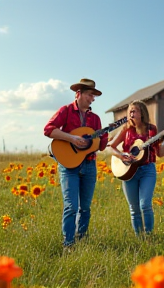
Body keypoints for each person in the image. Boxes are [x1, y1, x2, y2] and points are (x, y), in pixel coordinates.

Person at [44, 78, 108, 248]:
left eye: (93, 96)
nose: (92, 99)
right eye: (89, 95)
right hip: (68, 165)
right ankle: (68, 245)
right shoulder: (65, 111)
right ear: (78, 94)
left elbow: (100, 146)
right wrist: (71, 137)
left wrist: (105, 137)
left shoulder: (95, 119)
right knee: (71, 206)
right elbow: (48, 130)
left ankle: (82, 239)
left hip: (89, 165)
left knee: (85, 208)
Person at [108, 100, 164, 236]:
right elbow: (111, 146)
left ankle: (149, 236)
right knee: (134, 209)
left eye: (135, 111)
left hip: (147, 170)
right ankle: (140, 239)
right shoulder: (126, 129)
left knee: (145, 205)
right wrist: (122, 156)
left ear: (142, 113)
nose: (132, 114)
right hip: (128, 170)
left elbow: (160, 153)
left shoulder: (152, 130)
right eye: (130, 111)